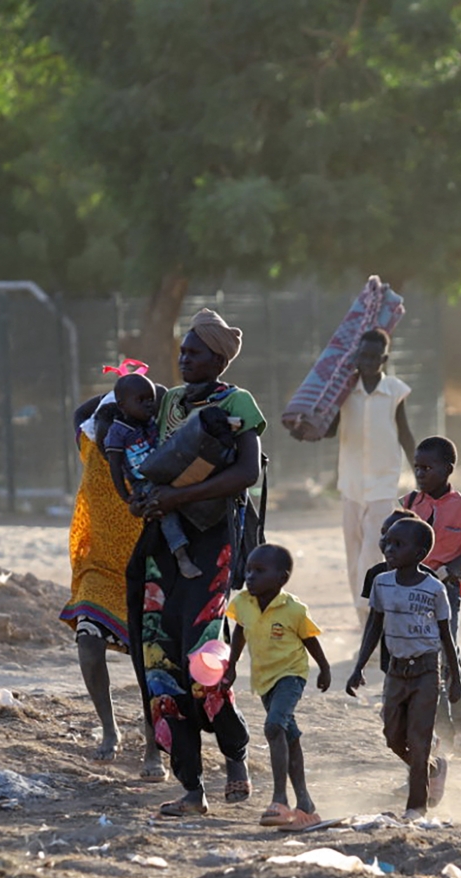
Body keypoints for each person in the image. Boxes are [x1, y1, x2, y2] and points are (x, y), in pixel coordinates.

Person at [126, 308, 266, 817]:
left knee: (203, 660)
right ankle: (191, 787)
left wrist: (177, 498)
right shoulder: (169, 403)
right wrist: (145, 497)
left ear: (219, 359)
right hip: (163, 546)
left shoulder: (237, 402)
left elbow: (247, 473)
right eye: (182, 351)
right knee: (159, 662)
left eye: (195, 352)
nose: (184, 359)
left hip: (212, 543)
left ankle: (235, 755)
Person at [59, 391, 160, 770]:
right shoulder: (88, 445)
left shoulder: (147, 453)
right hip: (99, 568)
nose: (108, 435)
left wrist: (139, 395)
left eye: (117, 427)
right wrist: (120, 389)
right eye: (104, 426)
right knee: (88, 642)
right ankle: (109, 729)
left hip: (148, 569)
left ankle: (153, 746)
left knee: (150, 664)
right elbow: (80, 411)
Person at [346, 517, 461, 819]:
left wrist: (455, 679)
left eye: (398, 545)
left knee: (419, 740)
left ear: (420, 553)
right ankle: (431, 768)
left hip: (426, 671)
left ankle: (415, 807)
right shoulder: (382, 583)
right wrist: (359, 667)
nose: (389, 549)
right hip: (396, 671)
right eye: (387, 543)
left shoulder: (434, 589)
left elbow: (446, 636)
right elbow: (374, 626)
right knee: (393, 736)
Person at [225, 544, 331, 832]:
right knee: (288, 735)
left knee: (274, 727)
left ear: (281, 578)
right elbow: (240, 631)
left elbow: (309, 639)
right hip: (264, 679)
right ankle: (305, 803)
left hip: (291, 675)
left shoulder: (294, 609)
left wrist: (324, 668)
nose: (250, 576)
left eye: (259, 571)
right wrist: (231, 666)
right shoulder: (243, 602)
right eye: (249, 570)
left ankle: (279, 800)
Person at [402, 436, 461, 756]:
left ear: (447, 469)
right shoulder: (409, 504)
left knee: (447, 653)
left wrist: (455, 565)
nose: (420, 474)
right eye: (417, 467)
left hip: (446, 590)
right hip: (413, 589)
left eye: (427, 468)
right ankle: (441, 728)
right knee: (423, 658)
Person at [328, 329, 416, 619]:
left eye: (373, 357)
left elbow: (405, 434)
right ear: (356, 356)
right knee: (353, 550)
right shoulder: (345, 390)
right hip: (351, 482)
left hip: (383, 482)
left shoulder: (394, 391)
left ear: (384, 359)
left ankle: (370, 608)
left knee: (372, 548)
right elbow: (329, 430)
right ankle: (361, 613)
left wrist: (421, 473)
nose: (367, 362)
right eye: (362, 356)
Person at [104, 372, 202, 579]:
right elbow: (115, 467)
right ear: (122, 405)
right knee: (163, 509)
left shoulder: (151, 422)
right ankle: (181, 555)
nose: (148, 404)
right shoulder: (118, 432)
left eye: (151, 399)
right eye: (141, 400)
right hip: (144, 483)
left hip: (166, 472)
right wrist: (127, 496)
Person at [361, 507, 420, 677]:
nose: (385, 539)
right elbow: (374, 622)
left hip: (422, 660)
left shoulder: (427, 579)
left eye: (395, 537)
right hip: (390, 660)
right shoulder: (375, 575)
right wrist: (360, 665)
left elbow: (441, 627)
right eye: (383, 533)